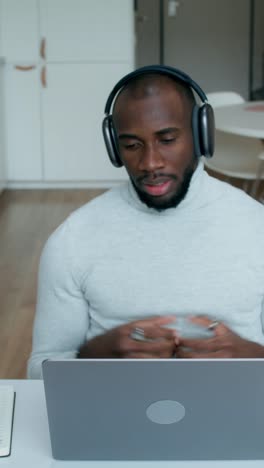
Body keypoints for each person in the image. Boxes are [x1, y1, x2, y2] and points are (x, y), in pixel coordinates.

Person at [27, 65, 264, 379]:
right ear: (115, 148)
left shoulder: (256, 227)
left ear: (200, 135)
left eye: (167, 139)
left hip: (238, 414)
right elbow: (38, 373)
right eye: (132, 145)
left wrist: (245, 354)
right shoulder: (72, 240)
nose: (150, 162)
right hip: (115, 412)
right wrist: (98, 353)